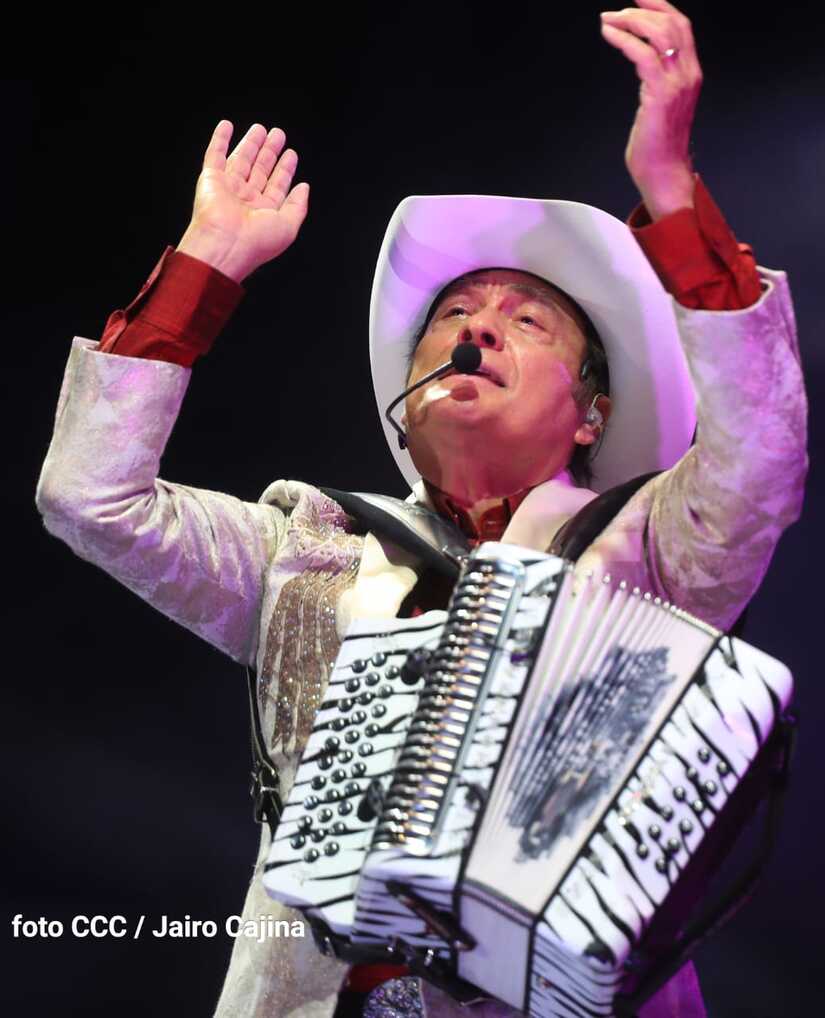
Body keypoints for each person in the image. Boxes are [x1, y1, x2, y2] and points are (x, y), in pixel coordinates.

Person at [35, 2, 807, 1016]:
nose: (476, 332)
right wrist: (205, 262)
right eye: (453, 314)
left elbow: (762, 452)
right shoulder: (306, 548)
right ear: (411, 392)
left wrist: (669, 193)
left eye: (525, 320)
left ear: (592, 414)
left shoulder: (653, 546)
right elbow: (90, 497)